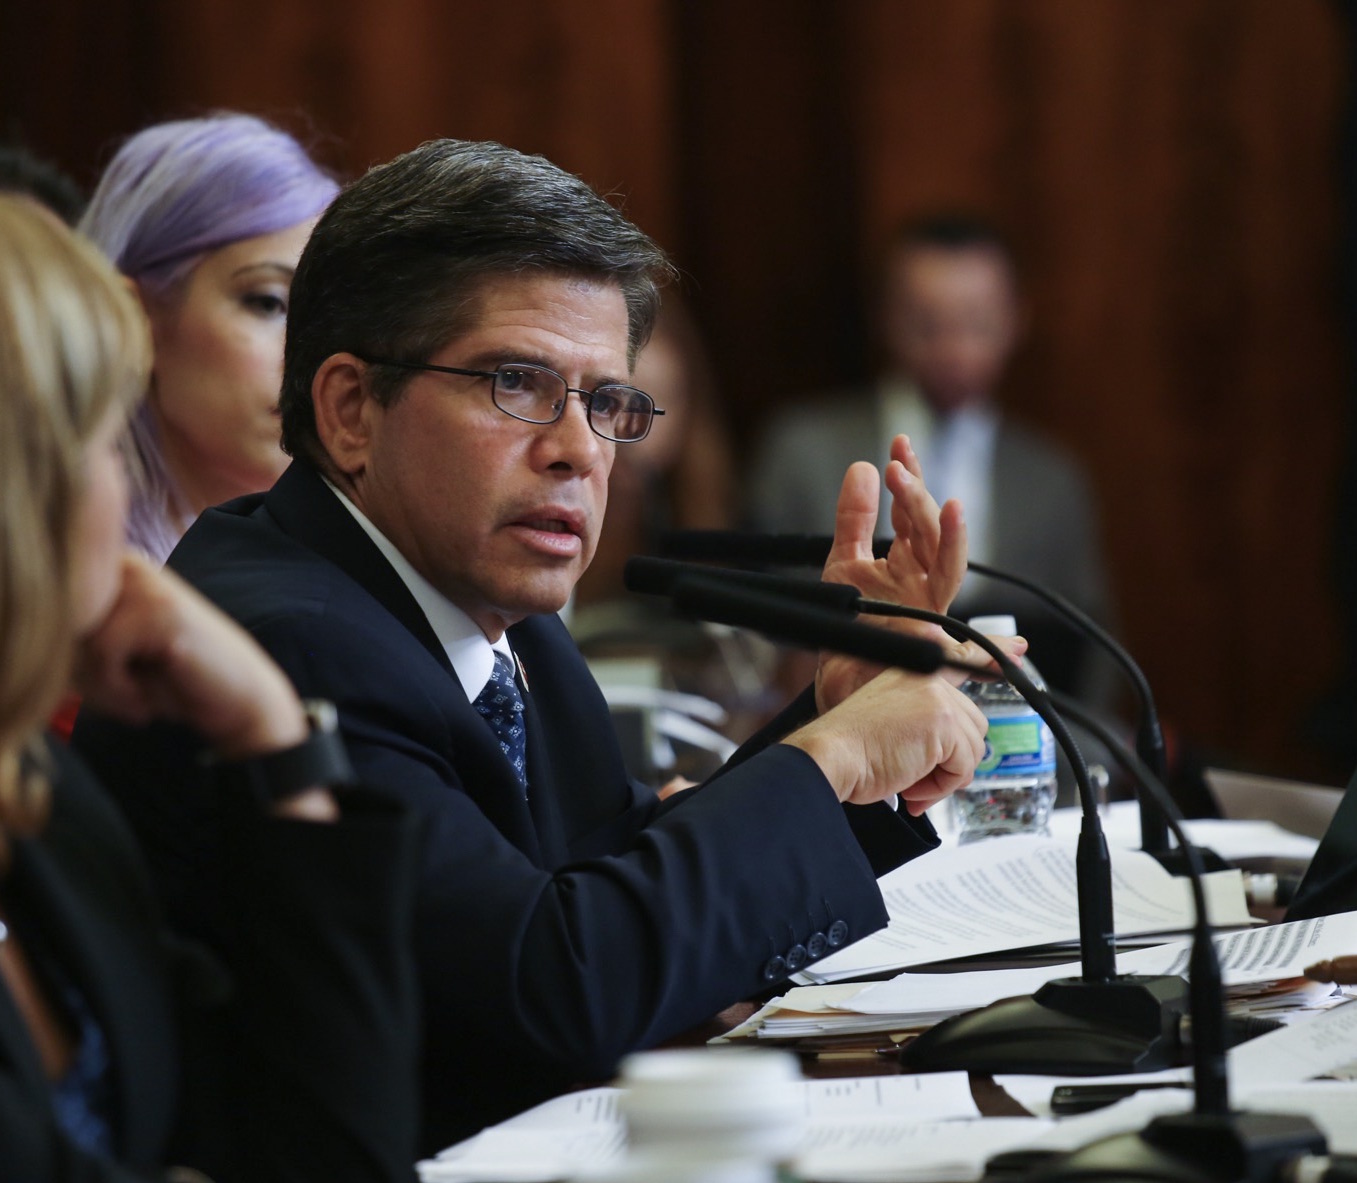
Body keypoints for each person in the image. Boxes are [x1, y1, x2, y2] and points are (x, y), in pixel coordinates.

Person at [74, 140, 996, 1151]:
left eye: (606, 402)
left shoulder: (501, 621)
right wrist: (835, 757)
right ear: (348, 411)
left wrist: (836, 706)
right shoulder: (288, 639)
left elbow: (608, 890)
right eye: (517, 383)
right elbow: (554, 987)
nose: (579, 450)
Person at [0, 196, 420, 1180]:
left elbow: (335, 1152)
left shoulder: (49, 809)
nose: (125, 485)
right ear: (27, 493)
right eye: (111, 442)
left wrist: (275, 738)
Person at [749, 212, 1113, 697]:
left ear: (1014, 320)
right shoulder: (803, 447)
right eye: (926, 324)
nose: (953, 347)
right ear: (884, 317)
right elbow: (756, 624)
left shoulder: (1051, 477)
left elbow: (1093, 649)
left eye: (977, 323)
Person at [80, 112, 338, 562]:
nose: (313, 356)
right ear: (134, 317)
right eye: (268, 302)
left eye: (327, 313)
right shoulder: (67, 577)